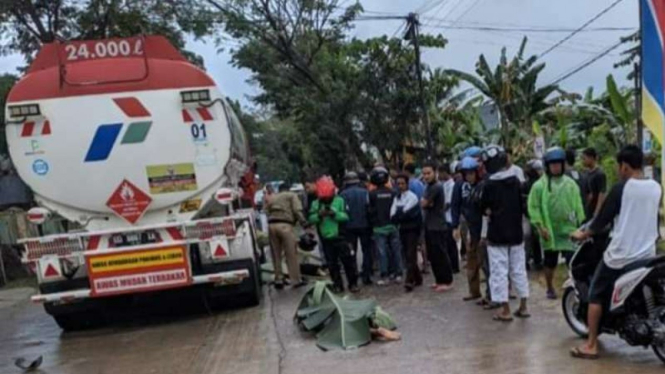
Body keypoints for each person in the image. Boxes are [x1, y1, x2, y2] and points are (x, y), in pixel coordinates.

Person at [570, 145, 662, 360]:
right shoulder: (656, 187)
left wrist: (583, 234)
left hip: (622, 255)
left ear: (625, 166)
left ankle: (591, 344)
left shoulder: (622, 188)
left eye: (620, 166)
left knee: (595, 293)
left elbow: (601, 219)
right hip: (648, 252)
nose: (619, 170)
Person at [528, 147, 586, 299]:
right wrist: (540, 227)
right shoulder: (539, 186)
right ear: (547, 166)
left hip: (569, 230)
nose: (556, 167)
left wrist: (581, 224)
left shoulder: (570, 184)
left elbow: (578, 204)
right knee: (550, 263)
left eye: (558, 164)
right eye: (552, 165)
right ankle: (549, 287)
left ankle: (575, 287)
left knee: (572, 260)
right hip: (550, 232)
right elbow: (533, 207)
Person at [480, 145, 530, 321]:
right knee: (519, 269)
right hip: (516, 233)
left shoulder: (489, 185)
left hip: (497, 235)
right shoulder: (516, 181)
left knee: (499, 271)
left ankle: (506, 310)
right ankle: (523, 306)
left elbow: (483, 208)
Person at [308, 176, 359, 293]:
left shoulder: (340, 200)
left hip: (341, 237)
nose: (326, 201)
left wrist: (334, 214)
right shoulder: (315, 204)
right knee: (332, 264)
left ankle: (353, 283)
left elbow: (346, 216)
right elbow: (311, 218)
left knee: (348, 262)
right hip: (326, 239)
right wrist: (319, 216)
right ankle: (337, 285)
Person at [452, 157, 486, 301]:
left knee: (485, 259)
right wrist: (455, 226)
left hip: (482, 225)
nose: (469, 176)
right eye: (466, 174)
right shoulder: (459, 186)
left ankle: (492, 293)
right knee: (471, 259)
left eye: (472, 173)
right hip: (467, 225)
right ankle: (474, 291)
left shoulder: (483, 185)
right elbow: (455, 206)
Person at [265, 182, 309, 289]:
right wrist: (303, 222)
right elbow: (297, 210)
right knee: (291, 253)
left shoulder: (273, 197)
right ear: (288, 189)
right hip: (285, 225)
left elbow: (266, 210)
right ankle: (295, 280)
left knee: (276, 254)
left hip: (272, 226)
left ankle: (279, 279)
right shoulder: (292, 195)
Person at [421, 161, 454, 292]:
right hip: (429, 225)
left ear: (435, 172)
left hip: (438, 226)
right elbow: (424, 202)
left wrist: (427, 203)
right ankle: (439, 280)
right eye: (424, 174)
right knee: (433, 255)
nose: (426, 176)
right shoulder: (428, 187)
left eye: (428, 173)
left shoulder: (436, 187)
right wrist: (426, 203)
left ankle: (447, 280)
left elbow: (424, 203)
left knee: (441, 254)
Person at [369, 167, 404, 286]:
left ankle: (385, 275)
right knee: (396, 250)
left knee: (382, 252)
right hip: (393, 226)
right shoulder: (393, 192)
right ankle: (398, 274)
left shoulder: (372, 195)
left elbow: (369, 211)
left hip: (379, 228)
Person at [340, 172, 374, 285]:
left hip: (349, 227)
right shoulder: (365, 192)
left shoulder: (342, 195)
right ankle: (366, 275)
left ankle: (353, 274)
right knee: (367, 251)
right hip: (365, 225)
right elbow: (369, 209)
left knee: (351, 251)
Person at [391, 174, 423, 292]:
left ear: (407, 184)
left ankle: (409, 280)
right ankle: (418, 278)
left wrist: (400, 215)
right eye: (398, 184)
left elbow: (405, 213)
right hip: (403, 229)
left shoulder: (412, 197)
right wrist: (400, 215)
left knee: (410, 254)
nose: (400, 186)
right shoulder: (397, 198)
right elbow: (393, 215)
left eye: (402, 183)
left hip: (412, 230)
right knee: (407, 254)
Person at [439, 163, 460, 273]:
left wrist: (440, 210)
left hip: (449, 217)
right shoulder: (443, 184)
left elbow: (448, 202)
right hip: (445, 218)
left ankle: (454, 266)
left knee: (451, 243)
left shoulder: (452, 185)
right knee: (447, 243)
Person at [524, 159, 544, 270]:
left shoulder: (542, 184)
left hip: (537, 215)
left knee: (535, 238)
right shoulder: (526, 185)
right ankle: (530, 260)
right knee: (528, 237)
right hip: (529, 215)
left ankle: (537, 260)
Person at [581, 148, 607, 219]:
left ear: (591, 158)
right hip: (587, 210)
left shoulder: (599, 174)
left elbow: (602, 193)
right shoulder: (585, 173)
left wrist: (597, 211)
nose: (583, 161)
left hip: (594, 210)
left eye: (584, 158)